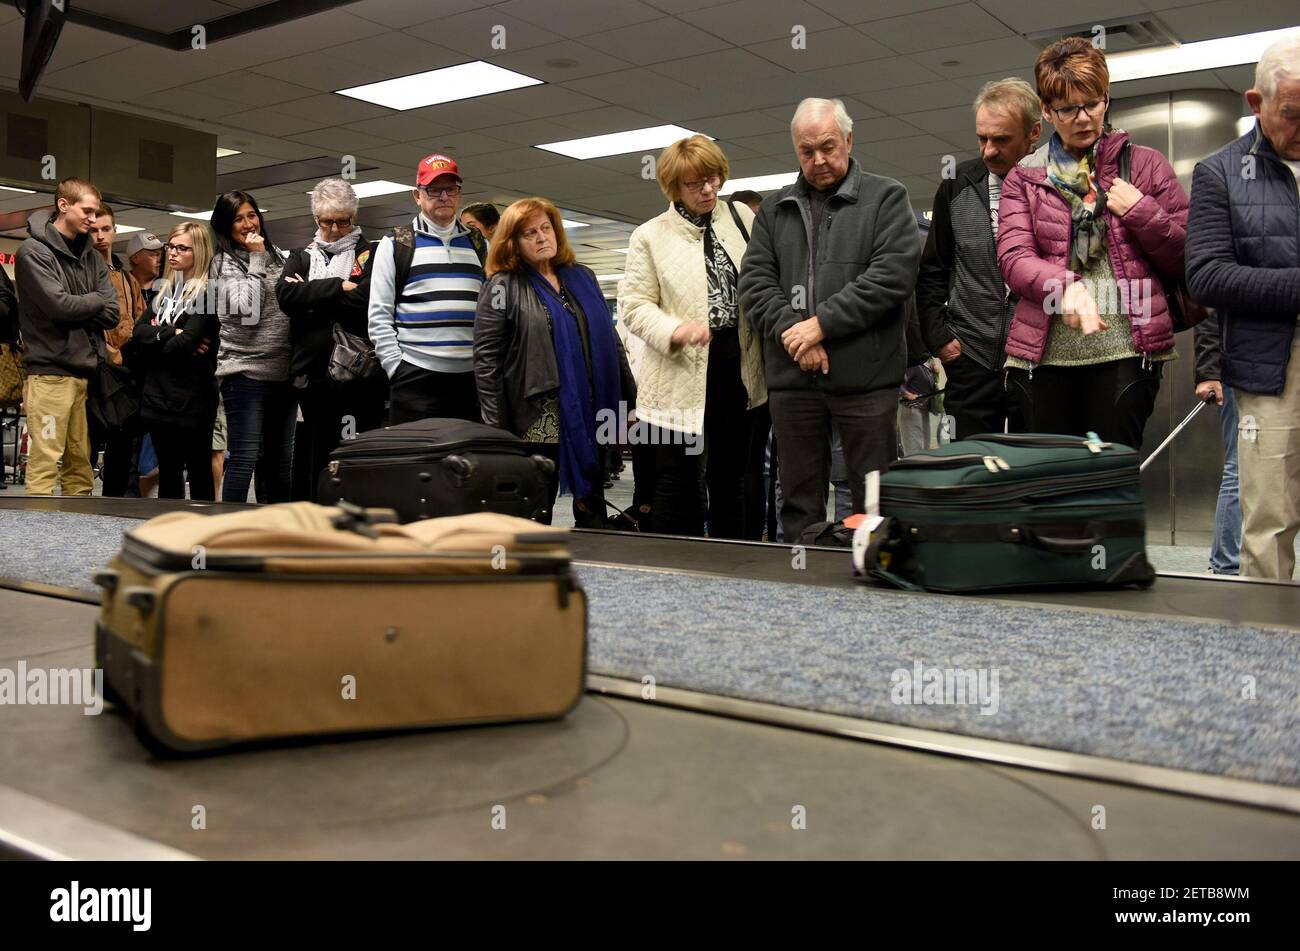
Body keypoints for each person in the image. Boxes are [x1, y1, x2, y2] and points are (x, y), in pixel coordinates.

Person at [738, 98, 921, 541]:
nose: (818, 159)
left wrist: (822, 325)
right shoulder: (773, 209)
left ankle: (872, 580)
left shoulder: (887, 196)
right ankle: (804, 585)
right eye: (806, 150)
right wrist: (795, 333)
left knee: (871, 496)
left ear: (849, 140)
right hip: (793, 379)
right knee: (798, 496)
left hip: (867, 379)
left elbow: (892, 275)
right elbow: (755, 283)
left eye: (828, 146)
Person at [998, 37, 1188, 450]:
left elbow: (1186, 258)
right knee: (1052, 496)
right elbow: (1014, 258)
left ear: (1106, 98)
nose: (1084, 118)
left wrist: (1140, 212)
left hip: (1125, 354)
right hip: (1041, 360)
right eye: (1068, 109)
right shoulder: (1025, 177)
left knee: (1110, 490)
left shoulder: (1145, 165)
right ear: (1047, 112)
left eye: (1094, 103)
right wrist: (1064, 285)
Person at [1186, 34, 1300, 580]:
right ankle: (1266, 645)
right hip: (1268, 369)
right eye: (1293, 114)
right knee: (1269, 519)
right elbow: (1205, 276)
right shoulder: (1221, 173)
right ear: (1257, 104)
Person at [618, 135, 767, 539]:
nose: (707, 189)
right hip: (679, 369)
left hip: (737, 366)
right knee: (678, 481)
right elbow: (633, 306)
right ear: (673, 186)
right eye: (694, 183)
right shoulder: (650, 235)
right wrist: (674, 329)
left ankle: (734, 562)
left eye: (714, 177)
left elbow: (764, 281)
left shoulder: (742, 219)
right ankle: (677, 571)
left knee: (732, 477)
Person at [474, 198, 627, 527]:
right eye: (530, 233)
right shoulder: (503, 286)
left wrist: (628, 404)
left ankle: (601, 574)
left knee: (594, 510)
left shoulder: (582, 277)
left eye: (546, 229)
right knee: (535, 511)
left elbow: (611, 342)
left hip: (592, 412)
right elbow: (487, 363)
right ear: (512, 242)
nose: (542, 237)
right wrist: (496, 432)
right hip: (536, 420)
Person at [918, 78, 1041, 440]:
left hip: (1035, 360)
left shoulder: (1053, 185)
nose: (988, 151)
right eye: (982, 138)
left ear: (1033, 132)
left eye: (1001, 140)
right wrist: (939, 337)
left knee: (1031, 470)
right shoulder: (956, 184)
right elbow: (932, 272)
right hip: (970, 356)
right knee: (971, 471)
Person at [277, 178, 386, 501]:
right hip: (313, 374)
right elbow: (285, 295)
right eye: (328, 222)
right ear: (316, 220)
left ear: (354, 217)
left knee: (354, 453)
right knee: (317, 454)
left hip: (358, 374)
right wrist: (339, 286)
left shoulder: (373, 253)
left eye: (343, 221)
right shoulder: (302, 255)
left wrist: (310, 296)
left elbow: (365, 300)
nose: (336, 228)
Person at [14, 178, 119, 497]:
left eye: (96, 212)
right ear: (63, 205)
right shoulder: (32, 252)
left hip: (85, 376)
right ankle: (36, 543)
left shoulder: (90, 254)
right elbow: (58, 306)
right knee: (45, 464)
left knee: (80, 468)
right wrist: (94, 300)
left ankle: (77, 545)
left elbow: (112, 312)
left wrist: (83, 303)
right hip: (49, 376)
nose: (92, 218)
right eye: (86, 210)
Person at [369, 154, 487, 425]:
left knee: (467, 461)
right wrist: (396, 368)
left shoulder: (479, 244)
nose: (444, 196)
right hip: (415, 377)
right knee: (416, 462)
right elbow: (379, 316)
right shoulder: (396, 243)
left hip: (471, 380)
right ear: (417, 195)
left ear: (459, 193)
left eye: (451, 189)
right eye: (434, 189)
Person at [210, 189, 295, 503]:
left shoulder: (279, 257)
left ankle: (278, 532)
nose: (248, 224)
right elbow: (248, 310)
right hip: (244, 373)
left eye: (251, 215)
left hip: (283, 372)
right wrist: (256, 258)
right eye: (238, 219)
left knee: (280, 462)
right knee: (244, 458)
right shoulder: (222, 264)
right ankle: (229, 533)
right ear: (226, 226)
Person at [128, 223, 219, 501]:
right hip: (158, 398)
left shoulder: (207, 292)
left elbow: (188, 342)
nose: (173, 253)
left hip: (192, 399)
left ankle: (202, 535)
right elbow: (138, 333)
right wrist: (171, 333)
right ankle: (169, 535)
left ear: (199, 252)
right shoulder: (165, 290)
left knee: (198, 470)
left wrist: (156, 341)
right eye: (171, 246)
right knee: (168, 472)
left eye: (182, 248)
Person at [86, 204, 146, 496]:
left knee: (122, 450)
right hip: (91, 368)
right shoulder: (82, 272)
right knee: (84, 445)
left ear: (115, 230)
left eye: (105, 229)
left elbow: (141, 322)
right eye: (93, 230)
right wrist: (106, 348)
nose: (100, 236)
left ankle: (113, 509)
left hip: (123, 374)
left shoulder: (127, 279)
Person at [1192, 315, 1239, 575]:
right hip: (1242, 365)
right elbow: (1209, 310)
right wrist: (1208, 370)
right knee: (1240, 466)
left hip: (1276, 362)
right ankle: (1227, 566)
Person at [124, 232, 163, 309]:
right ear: (136, 259)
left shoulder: (169, 287)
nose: (159, 260)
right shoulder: (124, 288)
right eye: (154, 255)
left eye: (160, 254)